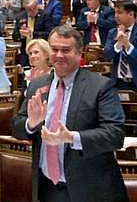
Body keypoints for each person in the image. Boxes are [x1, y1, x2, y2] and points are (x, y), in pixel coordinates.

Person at [13, 25, 129, 202]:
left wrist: (72, 138)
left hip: (90, 190)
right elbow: (17, 127)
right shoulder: (37, 86)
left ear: (79, 53)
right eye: (54, 49)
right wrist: (31, 123)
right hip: (47, 188)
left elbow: (115, 135)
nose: (59, 55)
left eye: (66, 50)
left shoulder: (100, 86)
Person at [103, 1, 137, 92]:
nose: (115, 16)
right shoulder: (112, 32)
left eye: (119, 12)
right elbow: (106, 55)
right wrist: (118, 44)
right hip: (117, 83)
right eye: (115, 12)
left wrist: (127, 44)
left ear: (131, 14)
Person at [13, 0, 54, 66]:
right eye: (29, 9)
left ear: (37, 5)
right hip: (25, 53)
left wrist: (32, 34)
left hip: (41, 51)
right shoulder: (20, 17)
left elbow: (50, 34)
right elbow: (14, 36)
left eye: (34, 8)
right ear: (25, 9)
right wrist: (21, 35)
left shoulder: (45, 15)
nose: (33, 10)